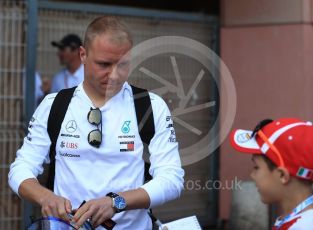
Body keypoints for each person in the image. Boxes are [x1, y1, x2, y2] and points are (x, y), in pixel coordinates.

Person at [9, 16, 184, 229]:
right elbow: (20, 168)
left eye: (123, 64)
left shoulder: (150, 106)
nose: (114, 75)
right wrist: (45, 197)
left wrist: (116, 202)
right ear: (83, 55)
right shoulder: (54, 105)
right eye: (104, 64)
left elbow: (172, 179)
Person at [230, 118, 313, 230]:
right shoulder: (296, 220)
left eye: (256, 167)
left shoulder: (304, 227)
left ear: (282, 175)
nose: (252, 175)